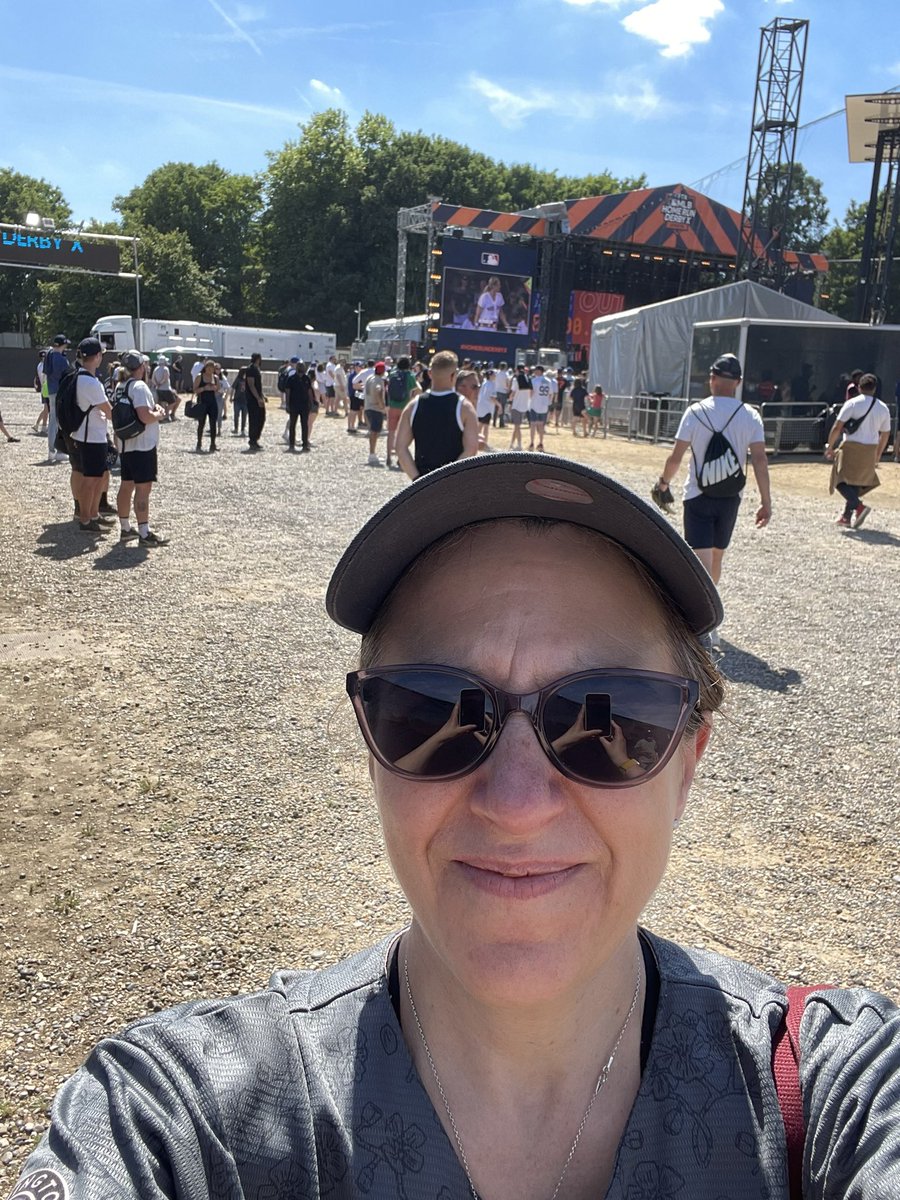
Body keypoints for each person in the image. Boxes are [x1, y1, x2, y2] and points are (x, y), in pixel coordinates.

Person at [13, 454, 900, 1200]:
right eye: (431, 712)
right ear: (368, 739)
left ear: (689, 760)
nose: (516, 802)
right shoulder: (185, 1122)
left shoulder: (832, 1093)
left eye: (611, 721)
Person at [656, 354, 771, 647]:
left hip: (698, 493)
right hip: (731, 497)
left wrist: (663, 482)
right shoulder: (750, 415)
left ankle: (706, 622)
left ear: (712, 378)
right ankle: (709, 616)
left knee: (701, 560)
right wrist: (766, 500)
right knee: (716, 557)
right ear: (738, 382)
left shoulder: (695, 412)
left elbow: (677, 455)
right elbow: (759, 458)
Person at [113, 350, 168, 547]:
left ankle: (125, 527)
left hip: (126, 444)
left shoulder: (120, 386)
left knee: (126, 485)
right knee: (143, 489)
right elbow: (145, 417)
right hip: (143, 445)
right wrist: (159, 414)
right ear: (142, 367)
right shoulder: (139, 387)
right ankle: (144, 532)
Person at [395, 350, 478, 479]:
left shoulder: (413, 406)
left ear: (429, 373)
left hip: (423, 486)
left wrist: (417, 479)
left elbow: (400, 448)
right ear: (453, 376)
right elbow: (471, 449)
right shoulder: (464, 407)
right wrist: (447, 479)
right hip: (454, 485)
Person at [824, 372, 891, 528]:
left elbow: (837, 427)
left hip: (851, 447)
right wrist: (878, 454)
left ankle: (858, 506)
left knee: (839, 479)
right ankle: (847, 517)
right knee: (855, 482)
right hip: (870, 448)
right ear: (875, 389)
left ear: (859, 387)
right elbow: (885, 434)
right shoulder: (883, 408)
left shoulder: (852, 404)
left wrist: (830, 445)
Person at [66, 337, 114, 535]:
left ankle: (93, 515)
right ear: (97, 357)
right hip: (91, 437)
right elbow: (109, 411)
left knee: (97, 478)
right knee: (91, 480)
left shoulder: (82, 378)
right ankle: (86, 519)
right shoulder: (90, 383)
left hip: (92, 435)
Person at [386, 356, 419, 469]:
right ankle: (400, 458)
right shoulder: (410, 376)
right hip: (405, 407)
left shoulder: (392, 374)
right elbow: (416, 390)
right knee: (402, 434)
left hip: (392, 406)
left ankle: (388, 456)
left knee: (391, 432)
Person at [45, 334, 71, 464]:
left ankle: (54, 450)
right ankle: (57, 450)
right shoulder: (61, 359)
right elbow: (66, 374)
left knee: (53, 420)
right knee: (58, 421)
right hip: (60, 391)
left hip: (51, 390)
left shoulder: (48, 355)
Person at [284, 357, 314, 452]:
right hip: (294, 405)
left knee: (304, 425)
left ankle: (305, 444)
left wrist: (311, 403)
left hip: (304, 405)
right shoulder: (291, 379)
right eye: (300, 366)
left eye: (302, 366)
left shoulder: (307, 378)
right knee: (293, 425)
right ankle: (292, 444)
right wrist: (287, 404)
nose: (301, 368)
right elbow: (287, 392)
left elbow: (309, 391)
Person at [364, 360, 389, 466]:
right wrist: (382, 406)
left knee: (372, 431)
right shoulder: (379, 381)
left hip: (367, 406)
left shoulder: (369, 378)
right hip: (375, 408)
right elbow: (379, 391)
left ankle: (372, 453)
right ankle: (372, 454)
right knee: (375, 432)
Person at [192, 360, 220, 453]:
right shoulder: (200, 377)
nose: (210, 370)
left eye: (212, 369)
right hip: (202, 402)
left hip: (212, 402)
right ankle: (199, 443)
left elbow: (218, 389)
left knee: (213, 424)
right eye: (208, 368)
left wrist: (214, 388)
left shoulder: (215, 378)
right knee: (201, 424)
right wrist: (204, 388)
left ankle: (213, 444)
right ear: (205, 368)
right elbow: (195, 390)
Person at [245, 352, 267, 451]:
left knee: (261, 418)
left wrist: (262, 396)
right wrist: (257, 398)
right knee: (254, 419)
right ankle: (252, 440)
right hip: (252, 399)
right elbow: (251, 385)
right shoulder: (250, 369)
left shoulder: (257, 369)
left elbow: (258, 385)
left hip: (258, 397)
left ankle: (256, 438)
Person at [527, 364, 552, 452]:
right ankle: (541, 443)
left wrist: (529, 401)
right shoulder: (548, 381)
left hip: (534, 404)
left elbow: (531, 393)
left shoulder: (534, 381)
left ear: (539, 371)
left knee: (533, 425)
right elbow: (550, 394)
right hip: (544, 405)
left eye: (535, 370)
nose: (534, 372)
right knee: (541, 425)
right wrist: (548, 402)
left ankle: (531, 442)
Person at [508, 364, 532, 450]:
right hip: (524, 405)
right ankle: (512, 443)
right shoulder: (528, 378)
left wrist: (510, 401)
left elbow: (513, 393)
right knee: (516, 426)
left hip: (516, 405)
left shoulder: (515, 380)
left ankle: (519, 444)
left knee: (517, 426)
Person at [231, 367, 248, 437]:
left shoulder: (248, 380)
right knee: (236, 415)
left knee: (244, 416)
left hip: (246, 401)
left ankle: (243, 429)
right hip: (237, 400)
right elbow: (233, 388)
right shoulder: (238, 379)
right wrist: (231, 397)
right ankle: (236, 428)